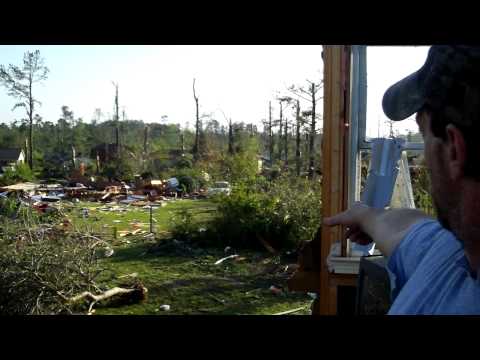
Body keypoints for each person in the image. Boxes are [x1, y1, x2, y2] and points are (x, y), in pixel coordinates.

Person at [324, 46, 480, 314]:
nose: (423, 159)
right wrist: (366, 215)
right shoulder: (454, 248)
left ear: (454, 148)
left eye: (423, 132)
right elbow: (409, 225)